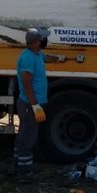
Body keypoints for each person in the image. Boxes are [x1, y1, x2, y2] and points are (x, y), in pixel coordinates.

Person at [14, 27, 65, 178]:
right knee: (28, 136)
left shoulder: (36, 54)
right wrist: (35, 105)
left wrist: (57, 58)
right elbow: (27, 83)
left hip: (32, 103)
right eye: (42, 39)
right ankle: (24, 172)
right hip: (29, 104)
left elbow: (45, 57)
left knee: (26, 133)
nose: (44, 41)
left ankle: (20, 166)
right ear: (36, 42)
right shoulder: (28, 58)